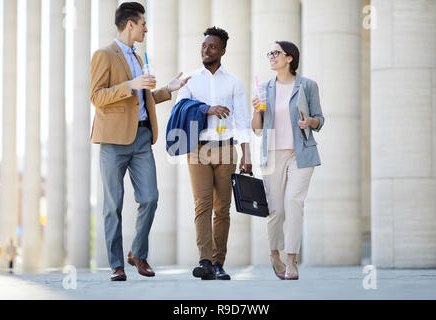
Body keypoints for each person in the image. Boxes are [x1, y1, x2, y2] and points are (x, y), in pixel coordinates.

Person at [90, 2, 189, 281]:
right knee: (114, 204)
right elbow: (97, 97)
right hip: (113, 140)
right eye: (143, 23)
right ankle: (116, 264)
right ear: (130, 24)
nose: (147, 28)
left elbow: (141, 102)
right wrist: (130, 86)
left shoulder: (139, 55)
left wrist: (166, 90)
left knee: (150, 198)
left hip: (143, 136)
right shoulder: (104, 54)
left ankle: (137, 253)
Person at [176, 26, 252, 280]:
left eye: (212, 47)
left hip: (227, 150)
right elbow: (181, 109)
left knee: (223, 209)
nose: (206, 50)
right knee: (202, 206)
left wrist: (246, 155)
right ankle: (205, 261)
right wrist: (206, 109)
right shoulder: (190, 79)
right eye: (204, 46)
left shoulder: (233, 82)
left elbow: (242, 122)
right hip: (198, 150)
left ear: (222, 51)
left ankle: (219, 263)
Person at [251, 41, 324, 280]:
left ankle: (291, 260)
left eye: (276, 53)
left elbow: (319, 120)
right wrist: (256, 110)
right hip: (272, 155)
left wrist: (309, 122)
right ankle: (275, 254)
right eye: (269, 53)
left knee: (294, 203)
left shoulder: (308, 85)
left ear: (289, 58)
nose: (271, 56)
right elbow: (257, 130)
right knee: (276, 210)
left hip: (301, 153)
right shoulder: (263, 88)